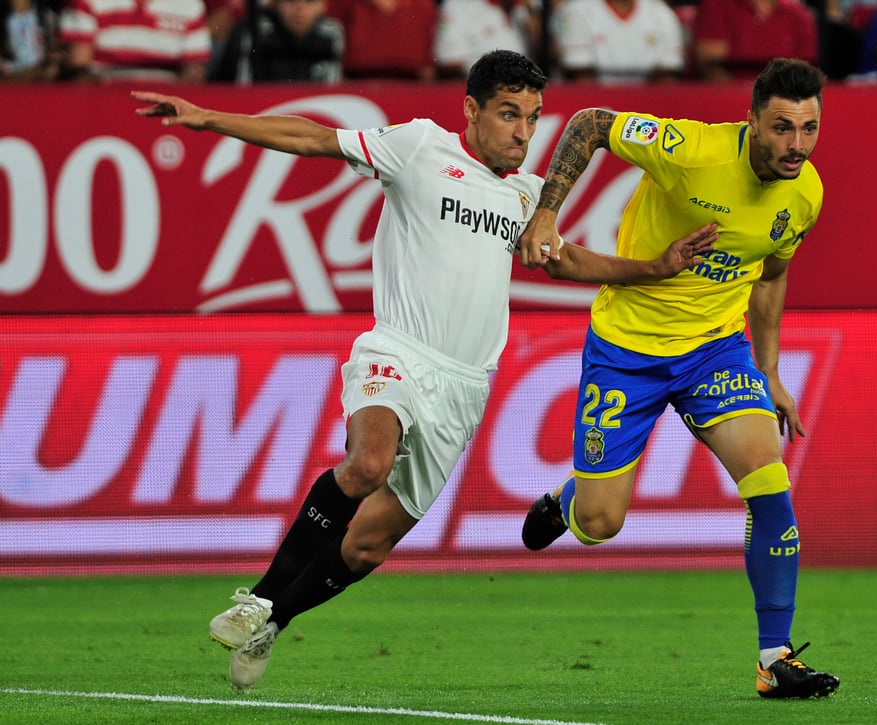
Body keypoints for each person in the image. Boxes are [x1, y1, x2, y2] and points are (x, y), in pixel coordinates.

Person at [132, 49, 718, 691]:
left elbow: (565, 261)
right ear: (471, 110)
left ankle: (274, 620)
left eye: (534, 117)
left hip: (464, 390)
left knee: (365, 548)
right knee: (368, 464)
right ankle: (260, 599)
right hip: (399, 352)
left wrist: (652, 269)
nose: (524, 133)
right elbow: (313, 138)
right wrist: (210, 118)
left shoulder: (526, 195)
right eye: (509, 114)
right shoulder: (417, 147)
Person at [516, 57, 840, 700]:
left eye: (809, 129)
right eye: (781, 128)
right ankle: (573, 496)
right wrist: (548, 213)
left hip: (715, 353)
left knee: (770, 484)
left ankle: (774, 659)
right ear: (751, 122)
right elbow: (590, 124)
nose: (796, 146)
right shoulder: (690, 151)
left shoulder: (806, 194)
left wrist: (769, 370)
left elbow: (770, 275)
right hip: (626, 350)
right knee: (603, 522)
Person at [61, 0, 211, 81]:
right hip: (104, 93)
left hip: (166, 97)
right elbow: (78, 65)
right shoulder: (87, 2)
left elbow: (195, 70)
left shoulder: (190, 5)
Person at [210, 0, 345, 83]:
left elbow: (329, 91)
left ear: (323, 6)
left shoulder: (331, 33)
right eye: (290, 0)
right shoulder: (254, 29)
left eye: (310, 1)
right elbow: (242, 92)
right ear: (275, 3)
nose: (299, 9)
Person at [552, 0, 686, 83]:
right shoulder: (574, 10)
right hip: (593, 108)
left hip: (647, 108)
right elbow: (580, 77)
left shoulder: (662, 13)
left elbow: (668, 78)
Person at [692, 0, 819, 81]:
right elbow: (711, 66)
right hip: (728, 100)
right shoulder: (717, 6)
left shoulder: (799, 16)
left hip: (783, 103)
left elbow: (805, 72)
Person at [327, 0, 437, 81]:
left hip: (410, 89)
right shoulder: (343, 4)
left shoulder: (423, 6)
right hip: (356, 86)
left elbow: (427, 68)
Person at [434, 0, 537, 81]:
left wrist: (532, 10)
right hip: (479, 94)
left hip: (525, 93)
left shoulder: (523, 9)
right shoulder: (458, 5)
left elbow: (547, 59)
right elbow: (449, 61)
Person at [0, 0, 63, 80]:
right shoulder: (4, 20)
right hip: (8, 87)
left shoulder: (47, 17)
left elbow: (54, 60)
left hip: (41, 86)